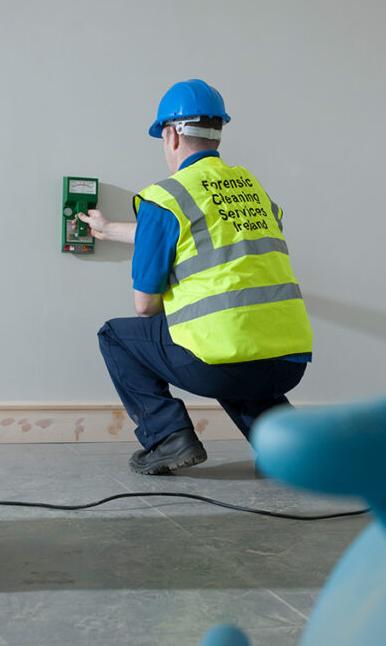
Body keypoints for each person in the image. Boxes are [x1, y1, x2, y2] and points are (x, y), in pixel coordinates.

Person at [78, 78, 313, 475]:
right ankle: (287, 450)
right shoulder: (252, 189)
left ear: (171, 136)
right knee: (237, 347)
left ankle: (168, 437)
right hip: (288, 360)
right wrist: (109, 229)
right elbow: (202, 235)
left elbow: (145, 306)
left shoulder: (166, 195)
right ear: (217, 134)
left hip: (225, 363)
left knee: (117, 336)